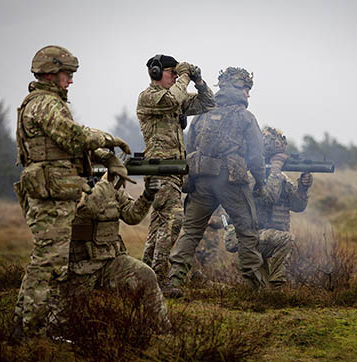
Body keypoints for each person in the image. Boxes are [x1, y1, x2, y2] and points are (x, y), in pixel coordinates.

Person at [13, 45, 131, 338]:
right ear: (51, 73)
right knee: (48, 264)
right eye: (68, 74)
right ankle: (33, 332)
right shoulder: (45, 104)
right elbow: (72, 135)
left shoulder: (44, 103)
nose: (71, 80)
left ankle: (22, 327)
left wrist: (103, 155)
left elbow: (66, 145)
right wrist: (108, 139)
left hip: (53, 192)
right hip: (50, 195)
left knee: (45, 260)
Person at [168, 67, 266, 295]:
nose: (248, 94)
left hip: (201, 181)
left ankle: (174, 280)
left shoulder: (203, 113)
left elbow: (189, 146)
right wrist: (260, 182)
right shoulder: (245, 116)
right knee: (247, 231)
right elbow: (256, 155)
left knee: (191, 231)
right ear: (237, 88)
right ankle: (256, 288)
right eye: (246, 89)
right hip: (232, 183)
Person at [66, 158, 171, 333]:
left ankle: (163, 330)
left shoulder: (112, 190)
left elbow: (132, 216)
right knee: (68, 317)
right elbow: (88, 210)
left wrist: (148, 194)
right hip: (80, 266)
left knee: (146, 275)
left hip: (111, 262)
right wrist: (107, 181)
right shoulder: (71, 187)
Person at [137, 54, 215, 289]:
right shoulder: (150, 96)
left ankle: (146, 275)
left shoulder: (175, 96)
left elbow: (207, 104)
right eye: (171, 74)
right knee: (173, 219)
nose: (175, 78)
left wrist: (199, 82)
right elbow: (172, 100)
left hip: (172, 171)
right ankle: (160, 280)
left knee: (159, 224)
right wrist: (185, 76)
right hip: (160, 169)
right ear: (157, 73)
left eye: (175, 74)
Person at [255, 127, 313, 288]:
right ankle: (276, 285)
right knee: (259, 287)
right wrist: (275, 170)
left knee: (261, 290)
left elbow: (297, 206)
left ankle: (274, 290)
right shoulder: (253, 175)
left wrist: (303, 188)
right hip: (253, 237)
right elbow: (268, 198)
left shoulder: (282, 179)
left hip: (273, 238)